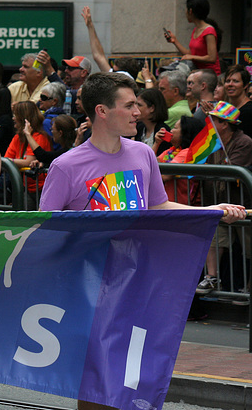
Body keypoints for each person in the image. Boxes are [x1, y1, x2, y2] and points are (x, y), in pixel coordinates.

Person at [39, 72, 246, 410]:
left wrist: (210, 210)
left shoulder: (143, 155)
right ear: (102, 111)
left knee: (129, 378)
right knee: (96, 383)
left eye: (137, 104)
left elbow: (158, 205)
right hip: (89, 291)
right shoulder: (66, 166)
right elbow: (46, 229)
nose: (138, 111)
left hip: (137, 286)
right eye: (129, 105)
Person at [197, 101, 252, 295]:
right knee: (214, 239)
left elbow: (232, 170)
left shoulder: (244, 142)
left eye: (214, 120)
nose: (209, 123)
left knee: (248, 247)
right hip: (219, 201)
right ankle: (212, 277)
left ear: (225, 124)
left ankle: (248, 287)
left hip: (242, 203)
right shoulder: (213, 142)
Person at [5, 101, 51, 207]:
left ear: (23, 118)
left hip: (43, 188)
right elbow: (7, 158)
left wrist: (9, 161)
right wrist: (9, 161)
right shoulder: (17, 137)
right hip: (28, 188)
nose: (13, 118)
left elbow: (28, 162)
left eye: (15, 115)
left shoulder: (39, 137)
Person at [154, 115, 205, 204]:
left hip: (183, 207)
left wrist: (150, 173)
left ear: (185, 133)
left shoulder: (189, 153)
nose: (171, 131)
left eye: (175, 128)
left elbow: (165, 176)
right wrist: (157, 143)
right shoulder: (172, 150)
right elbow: (147, 162)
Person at [165, 0, 221, 75]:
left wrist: (192, 57)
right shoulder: (196, 30)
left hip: (211, 75)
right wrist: (175, 41)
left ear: (190, 11)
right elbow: (190, 54)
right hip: (198, 74)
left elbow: (212, 58)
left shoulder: (209, 31)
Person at [135, 88, 171, 155]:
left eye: (139, 105)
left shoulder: (163, 131)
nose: (135, 108)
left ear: (152, 108)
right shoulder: (139, 128)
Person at [223, 65, 252, 138]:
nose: (230, 84)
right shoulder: (227, 108)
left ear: (245, 85)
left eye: (235, 81)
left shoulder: (249, 111)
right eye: (228, 81)